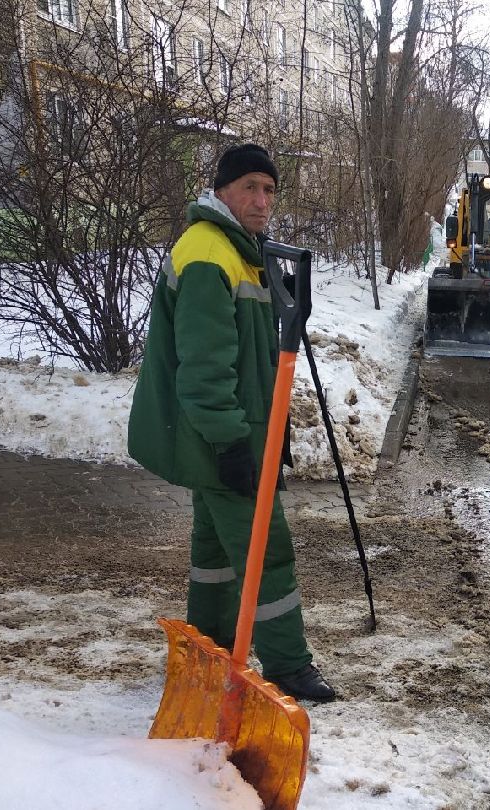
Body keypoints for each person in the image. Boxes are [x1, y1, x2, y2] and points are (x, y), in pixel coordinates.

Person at [128, 143, 335, 702]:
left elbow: (247, 355)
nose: (262, 200)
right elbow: (204, 367)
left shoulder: (235, 249)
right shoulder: (207, 255)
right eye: (250, 187)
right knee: (265, 546)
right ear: (221, 190)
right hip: (219, 436)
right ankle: (289, 666)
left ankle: (208, 643)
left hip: (221, 434)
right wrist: (232, 443)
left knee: (216, 550)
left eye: (269, 190)